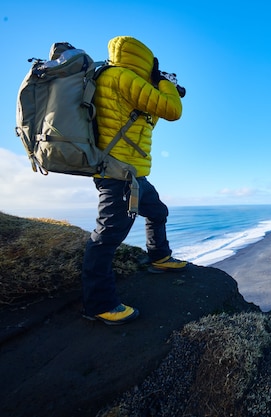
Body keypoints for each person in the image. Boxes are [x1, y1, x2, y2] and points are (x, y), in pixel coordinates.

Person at [81, 36, 187, 325]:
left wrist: (160, 86)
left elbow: (147, 117)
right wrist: (164, 83)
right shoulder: (120, 77)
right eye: (155, 66)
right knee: (107, 237)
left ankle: (159, 257)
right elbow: (173, 110)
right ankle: (99, 304)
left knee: (157, 211)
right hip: (118, 175)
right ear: (145, 61)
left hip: (132, 174)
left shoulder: (118, 80)